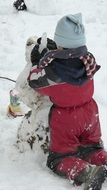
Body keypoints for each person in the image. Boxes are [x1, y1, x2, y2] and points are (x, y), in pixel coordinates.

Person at [28, 13, 107, 190]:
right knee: (92, 148)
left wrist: (38, 61)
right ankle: (102, 159)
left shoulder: (52, 72)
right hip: (90, 114)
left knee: (59, 158)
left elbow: (34, 80)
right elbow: (71, 60)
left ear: (59, 43)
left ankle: (85, 172)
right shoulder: (89, 60)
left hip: (66, 119)